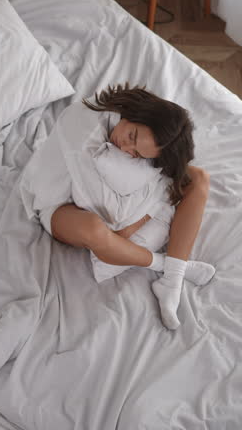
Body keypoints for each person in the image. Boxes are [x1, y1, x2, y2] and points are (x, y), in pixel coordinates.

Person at [49, 84, 212, 329]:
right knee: (94, 229)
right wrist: (155, 205)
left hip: (103, 203)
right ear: (135, 114)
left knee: (198, 179)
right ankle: (171, 268)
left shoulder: (130, 139)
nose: (124, 149)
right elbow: (117, 225)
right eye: (132, 137)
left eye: (137, 153)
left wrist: (156, 183)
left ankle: (171, 281)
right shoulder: (87, 132)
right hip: (56, 205)